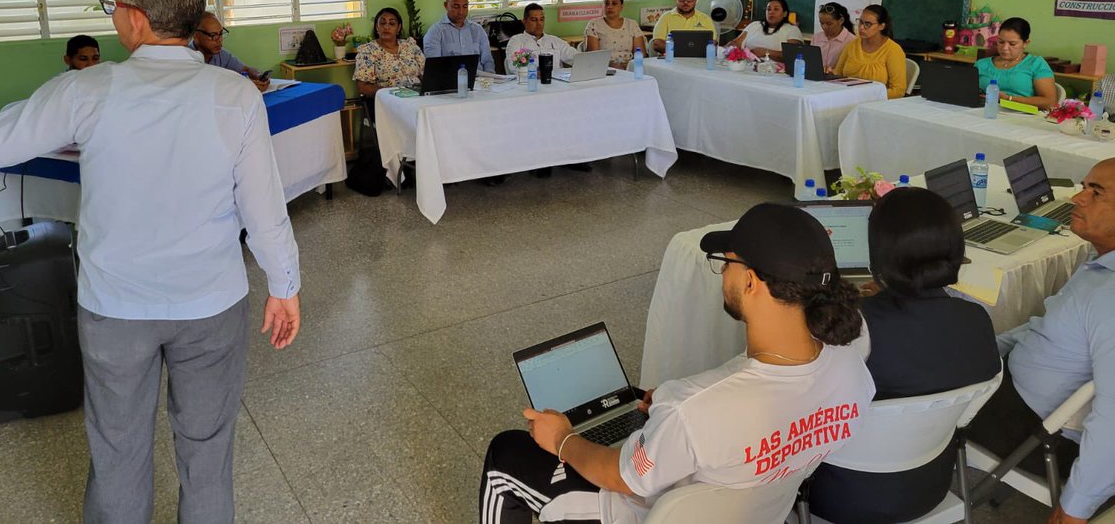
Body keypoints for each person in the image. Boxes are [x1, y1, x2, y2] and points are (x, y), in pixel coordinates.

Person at [0, 0, 301, 523]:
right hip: (212, 304)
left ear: (137, 19)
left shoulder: (88, 90)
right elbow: (264, 207)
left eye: (113, 5)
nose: (112, 16)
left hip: (116, 309)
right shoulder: (234, 95)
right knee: (208, 453)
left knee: (118, 454)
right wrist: (284, 285)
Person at [478, 204, 875, 524]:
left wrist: (562, 439)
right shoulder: (853, 370)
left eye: (727, 262)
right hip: (761, 511)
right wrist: (666, 419)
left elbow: (621, 476)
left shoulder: (693, 407)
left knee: (505, 452)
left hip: (645, 511)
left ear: (751, 282)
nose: (722, 271)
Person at [806, 187, 1000, 523]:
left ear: (878, 253)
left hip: (839, 496)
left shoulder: (859, 327)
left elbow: (808, 406)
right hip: (928, 488)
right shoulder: (978, 319)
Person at [968, 158, 1115, 524]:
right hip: (1025, 399)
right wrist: (989, 350)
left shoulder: (1110, 297)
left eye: (1096, 193)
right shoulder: (1102, 267)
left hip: (1038, 432)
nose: (1078, 198)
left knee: (912, 368)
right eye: (1084, 186)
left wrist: (1075, 509)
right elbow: (1046, 326)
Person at [974, 16, 1057, 109]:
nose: (1005, 48)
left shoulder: (1035, 64)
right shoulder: (981, 64)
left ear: (1025, 43)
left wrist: (1009, 99)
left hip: (1020, 116)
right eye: (1001, 42)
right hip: (983, 112)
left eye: (1012, 44)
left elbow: (1049, 102)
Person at [833, 4, 907, 98]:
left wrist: (868, 97)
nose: (861, 28)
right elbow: (838, 74)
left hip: (875, 104)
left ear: (881, 26)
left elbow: (898, 91)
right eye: (860, 22)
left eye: (868, 24)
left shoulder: (893, 50)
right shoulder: (852, 45)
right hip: (848, 98)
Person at [353, 6, 425, 98]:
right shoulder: (368, 51)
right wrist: (392, 93)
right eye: (382, 23)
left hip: (418, 96)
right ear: (376, 27)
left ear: (398, 28)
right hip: (389, 100)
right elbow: (362, 87)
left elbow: (427, 74)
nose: (386, 27)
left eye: (392, 23)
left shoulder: (410, 46)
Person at [423, 0, 495, 73]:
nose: (461, 12)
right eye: (456, 7)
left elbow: (487, 61)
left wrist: (490, 79)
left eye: (465, 6)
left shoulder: (478, 30)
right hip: (450, 83)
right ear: (446, 5)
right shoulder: (435, 32)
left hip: (479, 81)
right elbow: (434, 67)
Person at [192, 12, 270, 92]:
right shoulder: (185, 57)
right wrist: (244, 85)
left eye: (221, 34)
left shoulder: (221, 54)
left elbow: (246, 70)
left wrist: (259, 77)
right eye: (213, 35)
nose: (219, 40)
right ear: (196, 36)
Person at [584, 0, 646, 70]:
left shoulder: (632, 25)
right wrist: (611, 66)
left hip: (631, 69)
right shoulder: (594, 25)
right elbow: (594, 57)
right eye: (606, 3)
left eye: (614, 3)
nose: (610, 6)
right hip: (605, 70)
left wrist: (629, 66)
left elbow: (640, 55)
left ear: (621, 6)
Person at [504, 3, 577, 73]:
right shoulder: (516, 41)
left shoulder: (555, 41)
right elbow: (513, 67)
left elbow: (576, 57)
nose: (539, 24)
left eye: (541, 19)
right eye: (534, 20)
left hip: (556, 82)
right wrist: (535, 71)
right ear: (524, 21)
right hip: (530, 82)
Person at [730, 0, 803, 62]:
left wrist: (765, 52)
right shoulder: (755, 25)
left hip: (775, 72)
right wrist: (728, 49)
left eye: (776, 9)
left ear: (785, 14)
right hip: (746, 66)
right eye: (768, 9)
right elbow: (736, 43)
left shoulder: (792, 30)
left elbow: (793, 55)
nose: (771, 12)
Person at [651, 0, 715, 55]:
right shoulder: (666, 17)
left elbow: (713, 42)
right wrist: (684, 50)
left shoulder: (705, 19)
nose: (685, 2)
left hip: (699, 61)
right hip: (671, 61)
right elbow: (657, 44)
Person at [811, 2, 854, 70]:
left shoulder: (851, 41)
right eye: (822, 23)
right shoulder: (816, 38)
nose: (824, 27)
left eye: (829, 24)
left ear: (841, 20)